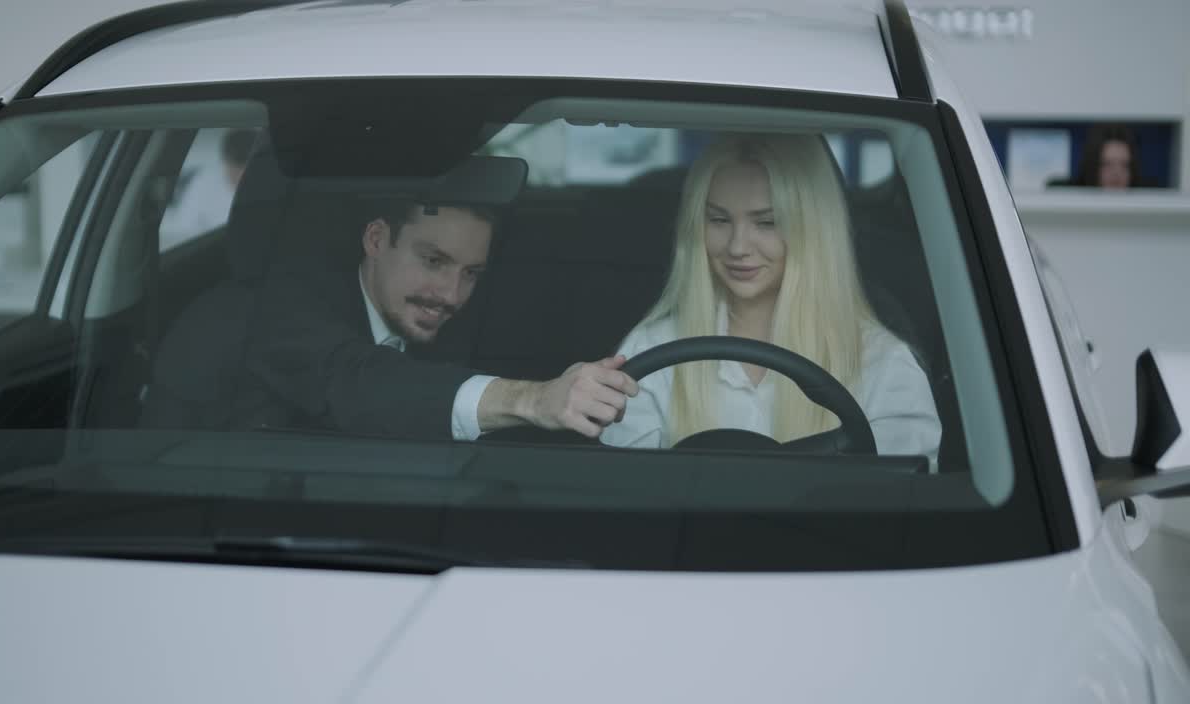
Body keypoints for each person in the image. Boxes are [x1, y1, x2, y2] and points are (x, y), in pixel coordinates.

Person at [600, 133, 941, 464]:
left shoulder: (882, 365)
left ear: (814, 230)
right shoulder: (652, 348)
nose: (737, 247)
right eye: (718, 220)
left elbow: (903, 506)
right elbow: (619, 492)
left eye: (766, 223)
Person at [241, 197, 640, 442]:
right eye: (433, 261)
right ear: (376, 239)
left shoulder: (452, 320)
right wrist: (533, 400)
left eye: (471, 274)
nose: (451, 295)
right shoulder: (283, 309)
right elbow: (356, 381)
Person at [1048, 124, 1143, 189]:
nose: (1116, 173)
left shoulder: (1150, 201)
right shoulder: (1067, 198)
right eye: (1107, 164)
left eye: (1124, 165)